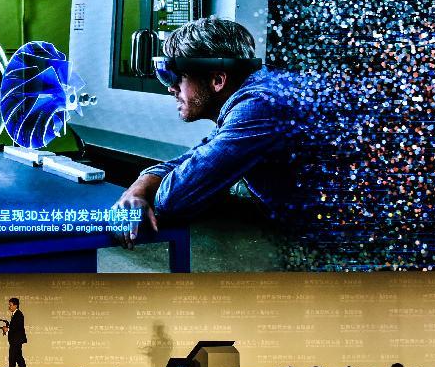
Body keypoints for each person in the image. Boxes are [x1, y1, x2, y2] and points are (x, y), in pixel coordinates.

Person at [111, 16, 315, 249]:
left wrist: (145, 190)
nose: (171, 88)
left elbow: (174, 200)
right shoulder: (259, 95)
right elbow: (194, 158)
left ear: (217, 80)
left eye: (177, 76)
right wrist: (138, 189)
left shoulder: (260, 107)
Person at [2, 298, 28, 367]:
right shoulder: (15, 314)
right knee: (18, 358)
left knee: (13, 358)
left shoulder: (19, 314)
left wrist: (8, 329)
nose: (9, 306)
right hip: (15, 341)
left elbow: (18, 327)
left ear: (15, 305)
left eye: (10, 305)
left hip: (16, 341)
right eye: (9, 305)